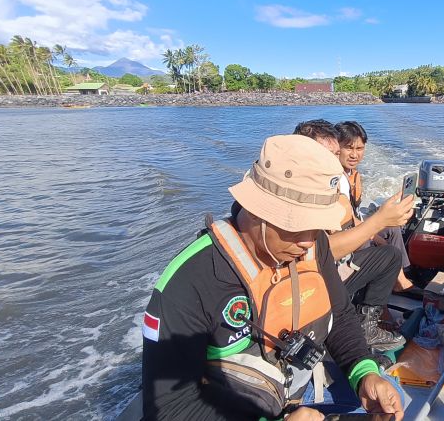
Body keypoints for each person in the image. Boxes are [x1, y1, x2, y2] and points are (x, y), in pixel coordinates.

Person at [142, 135, 405, 421]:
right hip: (236, 408)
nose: (308, 240)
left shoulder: (314, 244)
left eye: (317, 225)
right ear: (256, 210)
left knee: (391, 395)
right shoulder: (191, 280)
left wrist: (363, 373)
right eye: (298, 225)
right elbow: (170, 409)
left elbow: (339, 313)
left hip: (299, 385)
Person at [293, 119, 411, 351]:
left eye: (335, 154)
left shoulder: (330, 189)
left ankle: (391, 291)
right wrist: (378, 224)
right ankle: (368, 324)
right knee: (388, 255)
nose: (334, 162)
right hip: (315, 286)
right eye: (327, 156)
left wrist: (378, 228)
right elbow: (321, 253)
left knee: (389, 241)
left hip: (322, 273)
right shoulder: (313, 197)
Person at [334, 121, 416, 294]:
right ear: (336, 148)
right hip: (343, 235)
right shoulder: (336, 179)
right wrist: (375, 236)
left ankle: (399, 278)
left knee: (393, 230)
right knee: (381, 243)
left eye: (360, 148)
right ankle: (398, 282)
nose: (354, 155)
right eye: (349, 148)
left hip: (355, 225)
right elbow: (347, 219)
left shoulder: (351, 174)